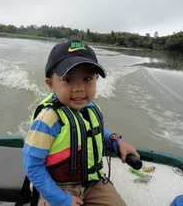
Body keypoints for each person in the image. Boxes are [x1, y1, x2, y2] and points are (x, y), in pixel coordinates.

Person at [22, 39, 140, 206]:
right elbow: (32, 166)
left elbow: (91, 132)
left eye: (87, 78)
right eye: (68, 80)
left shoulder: (89, 107)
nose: (79, 88)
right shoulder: (48, 119)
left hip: (93, 183)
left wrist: (115, 140)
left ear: (96, 78)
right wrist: (59, 198)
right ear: (51, 84)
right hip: (58, 187)